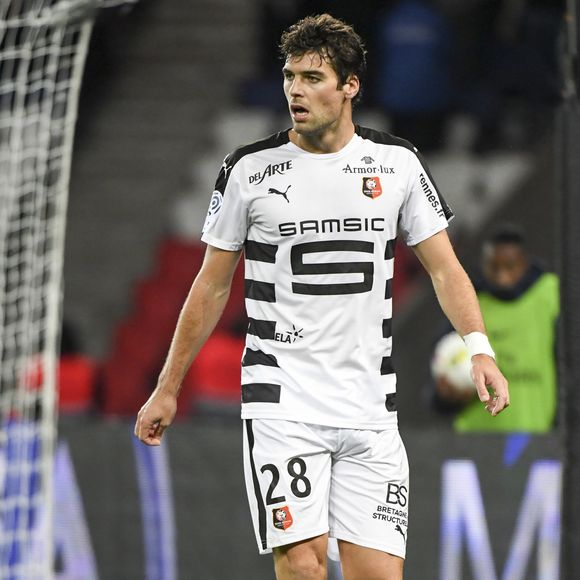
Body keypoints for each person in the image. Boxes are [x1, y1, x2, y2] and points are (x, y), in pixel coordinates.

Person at [135, 14, 509, 580]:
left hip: (369, 407)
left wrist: (479, 347)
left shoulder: (397, 164)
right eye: (289, 76)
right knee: (305, 567)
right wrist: (168, 388)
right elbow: (210, 286)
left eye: (312, 77)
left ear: (349, 86)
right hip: (284, 401)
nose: (295, 90)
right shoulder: (249, 170)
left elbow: (445, 270)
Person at [435, 224, 559, 433]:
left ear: (524, 263)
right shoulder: (468, 301)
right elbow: (437, 390)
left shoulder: (550, 294)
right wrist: (447, 396)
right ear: (484, 264)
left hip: (540, 437)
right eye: (494, 267)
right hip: (476, 439)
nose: (503, 276)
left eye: (510, 266)